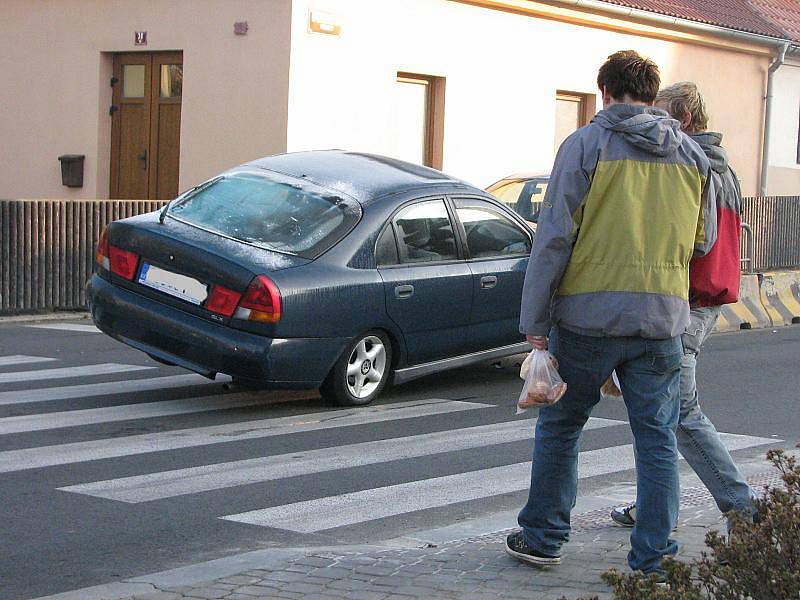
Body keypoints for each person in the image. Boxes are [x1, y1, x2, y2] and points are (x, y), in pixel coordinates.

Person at [505, 50, 717, 579]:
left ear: (603, 92)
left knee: (561, 427)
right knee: (657, 439)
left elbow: (553, 239)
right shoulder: (691, 156)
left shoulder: (584, 146)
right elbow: (704, 239)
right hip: (661, 323)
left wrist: (534, 323)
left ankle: (543, 537)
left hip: (587, 321)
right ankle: (652, 558)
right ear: (652, 94)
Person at [610, 82, 756, 530]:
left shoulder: (696, 167)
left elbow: (696, 240)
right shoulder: (718, 166)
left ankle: (743, 508)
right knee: (652, 408)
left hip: (688, 303)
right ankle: (652, 505)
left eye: (663, 115)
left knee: (679, 413)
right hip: (697, 300)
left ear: (685, 120)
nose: (656, 125)